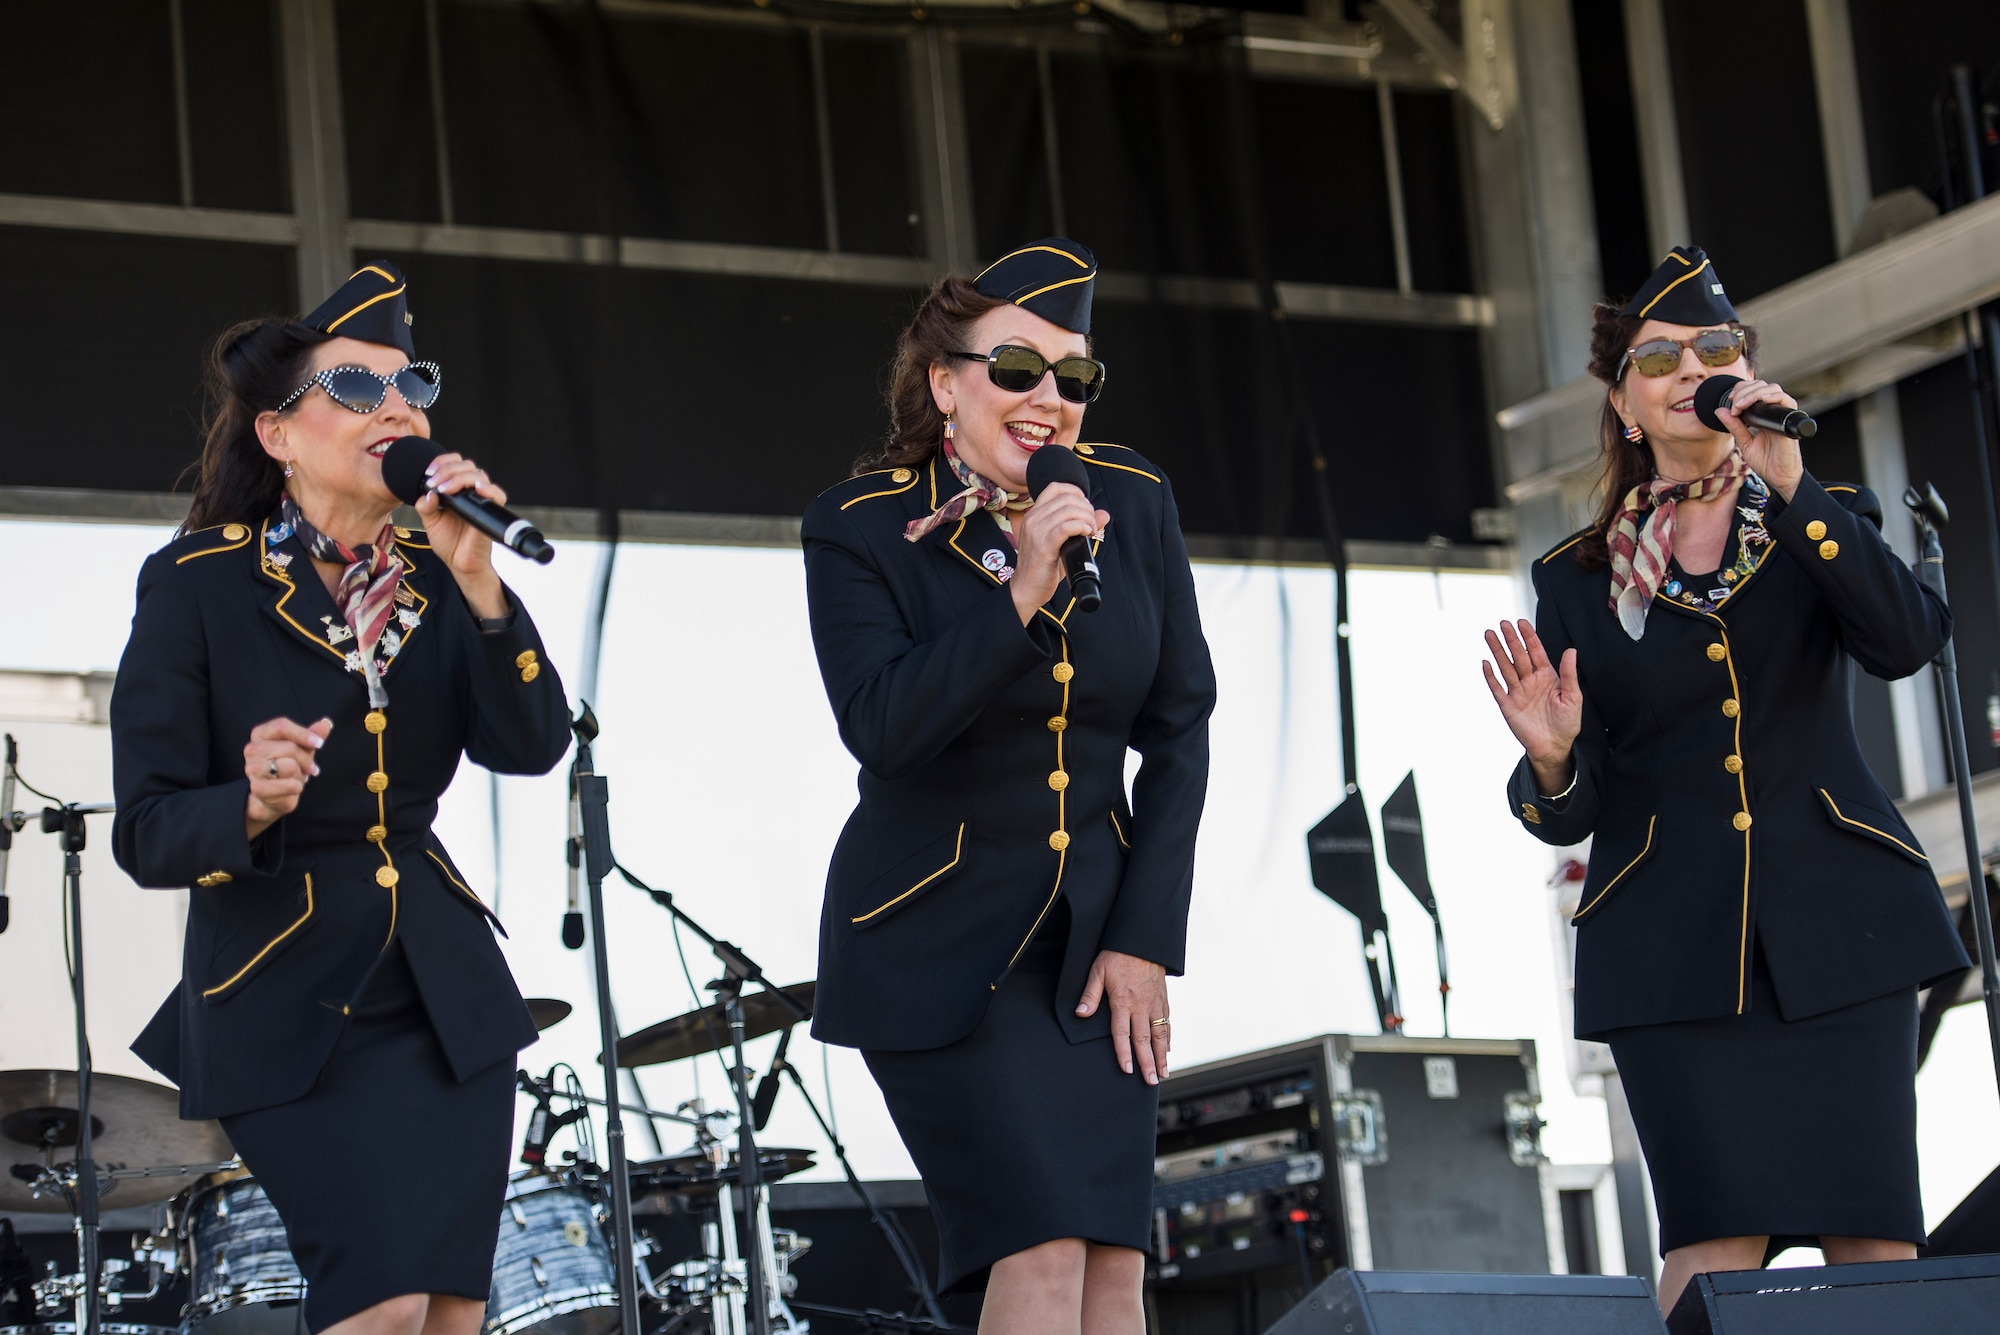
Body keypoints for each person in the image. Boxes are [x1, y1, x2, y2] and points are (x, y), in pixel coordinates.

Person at [1481, 246, 1970, 1311]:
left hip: (1842, 932)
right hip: (1672, 951)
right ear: (1623, 405)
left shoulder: (1818, 515)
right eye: (1658, 357)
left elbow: (1904, 641)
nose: (1688, 368)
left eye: (1713, 347)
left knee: (1874, 1243)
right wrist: (1551, 760)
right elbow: (1575, 805)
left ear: (1744, 369)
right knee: (1710, 1249)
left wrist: (1790, 486)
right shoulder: (1575, 579)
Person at [112, 262, 572, 1335]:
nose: (397, 405)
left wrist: (480, 583)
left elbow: (531, 745)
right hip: (285, 997)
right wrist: (253, 802)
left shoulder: (439, 566)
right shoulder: (195, 582)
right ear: (277, 434)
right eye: (357, 388)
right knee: (380, 1300)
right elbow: (146, 831)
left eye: (410, 384)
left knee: (453, 1312)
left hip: (446, 1001)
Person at [801, 238, 1216, 1334]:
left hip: (1091, 947)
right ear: (944, 381)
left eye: (1073, 378)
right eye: (1018, 369)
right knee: (1036, 1250)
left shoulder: (1131, 500)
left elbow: (1178, 731)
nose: (1048, 400)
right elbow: (885, 729)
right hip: (935, 940)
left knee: (1113, 1267)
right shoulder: (857, 526)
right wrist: (1022, 587)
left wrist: (1145, 936)